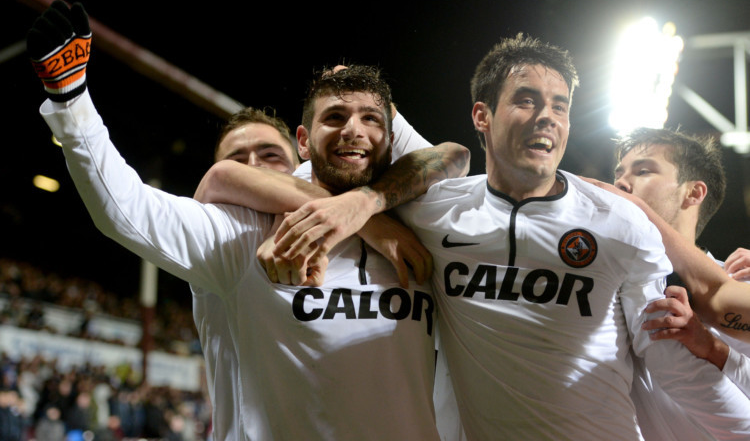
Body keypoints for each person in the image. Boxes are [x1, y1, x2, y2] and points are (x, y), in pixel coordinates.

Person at [241, 33, 750, 439]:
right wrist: (365, 210)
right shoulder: (435, 210)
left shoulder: (617, 220)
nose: (546, 116)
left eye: (560, 105)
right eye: (526, 101)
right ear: (482, 117)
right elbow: (224, 178)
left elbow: (672, 362)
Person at [27, 1, 470, 440]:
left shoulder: (415, 214)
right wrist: (72, 103)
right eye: (334, 117)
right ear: (306, 141)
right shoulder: (240, 235)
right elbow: (125, 208)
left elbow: (454, 157)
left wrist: (366, 206)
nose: (255, 170)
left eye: (267, 156)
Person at [606, 127, 750, 440]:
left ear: (694, 193)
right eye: (618, 173)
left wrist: (712, 348)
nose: (620, 183)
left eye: (643, 170)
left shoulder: (740, 283)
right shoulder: (600, 278)